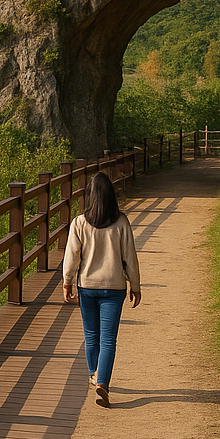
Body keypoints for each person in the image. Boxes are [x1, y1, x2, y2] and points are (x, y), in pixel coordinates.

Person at [62, 171, 142, 408]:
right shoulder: (121, 222)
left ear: (91, 196)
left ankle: (94, 374)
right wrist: (135, 286)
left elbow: (71, 258)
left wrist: (67, 282)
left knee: (91, 336)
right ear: (111, 196)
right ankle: (102, 383)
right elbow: (130, 257)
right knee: (108, 340)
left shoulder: (79, 223)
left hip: (87, 287)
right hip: (114, 287)